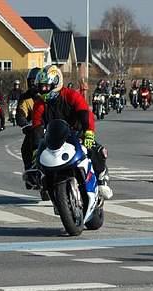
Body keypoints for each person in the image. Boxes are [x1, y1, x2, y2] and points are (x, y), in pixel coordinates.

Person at [31, 65, 113, 199]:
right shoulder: (39, 104)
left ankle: (101, 179)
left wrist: (89, 133)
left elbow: (86, 114)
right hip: (53, 137)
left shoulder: (71, 95)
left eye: (46, 86)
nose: (42, 90)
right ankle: (44, 184)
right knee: (36, 158)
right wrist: (36, 147)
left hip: (77, 133)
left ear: (55, 83)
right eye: (40, 87)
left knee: (96, 150)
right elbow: (37, 127)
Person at [16, 67, 40, 173]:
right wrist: (23, 123)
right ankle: (29, 171)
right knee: (25, 148)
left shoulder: (49, 95)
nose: (32, 84)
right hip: (34, 130)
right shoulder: (25, 98)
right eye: (30, 81)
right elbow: (21, 111)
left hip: (51, 129)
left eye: (34, 81)